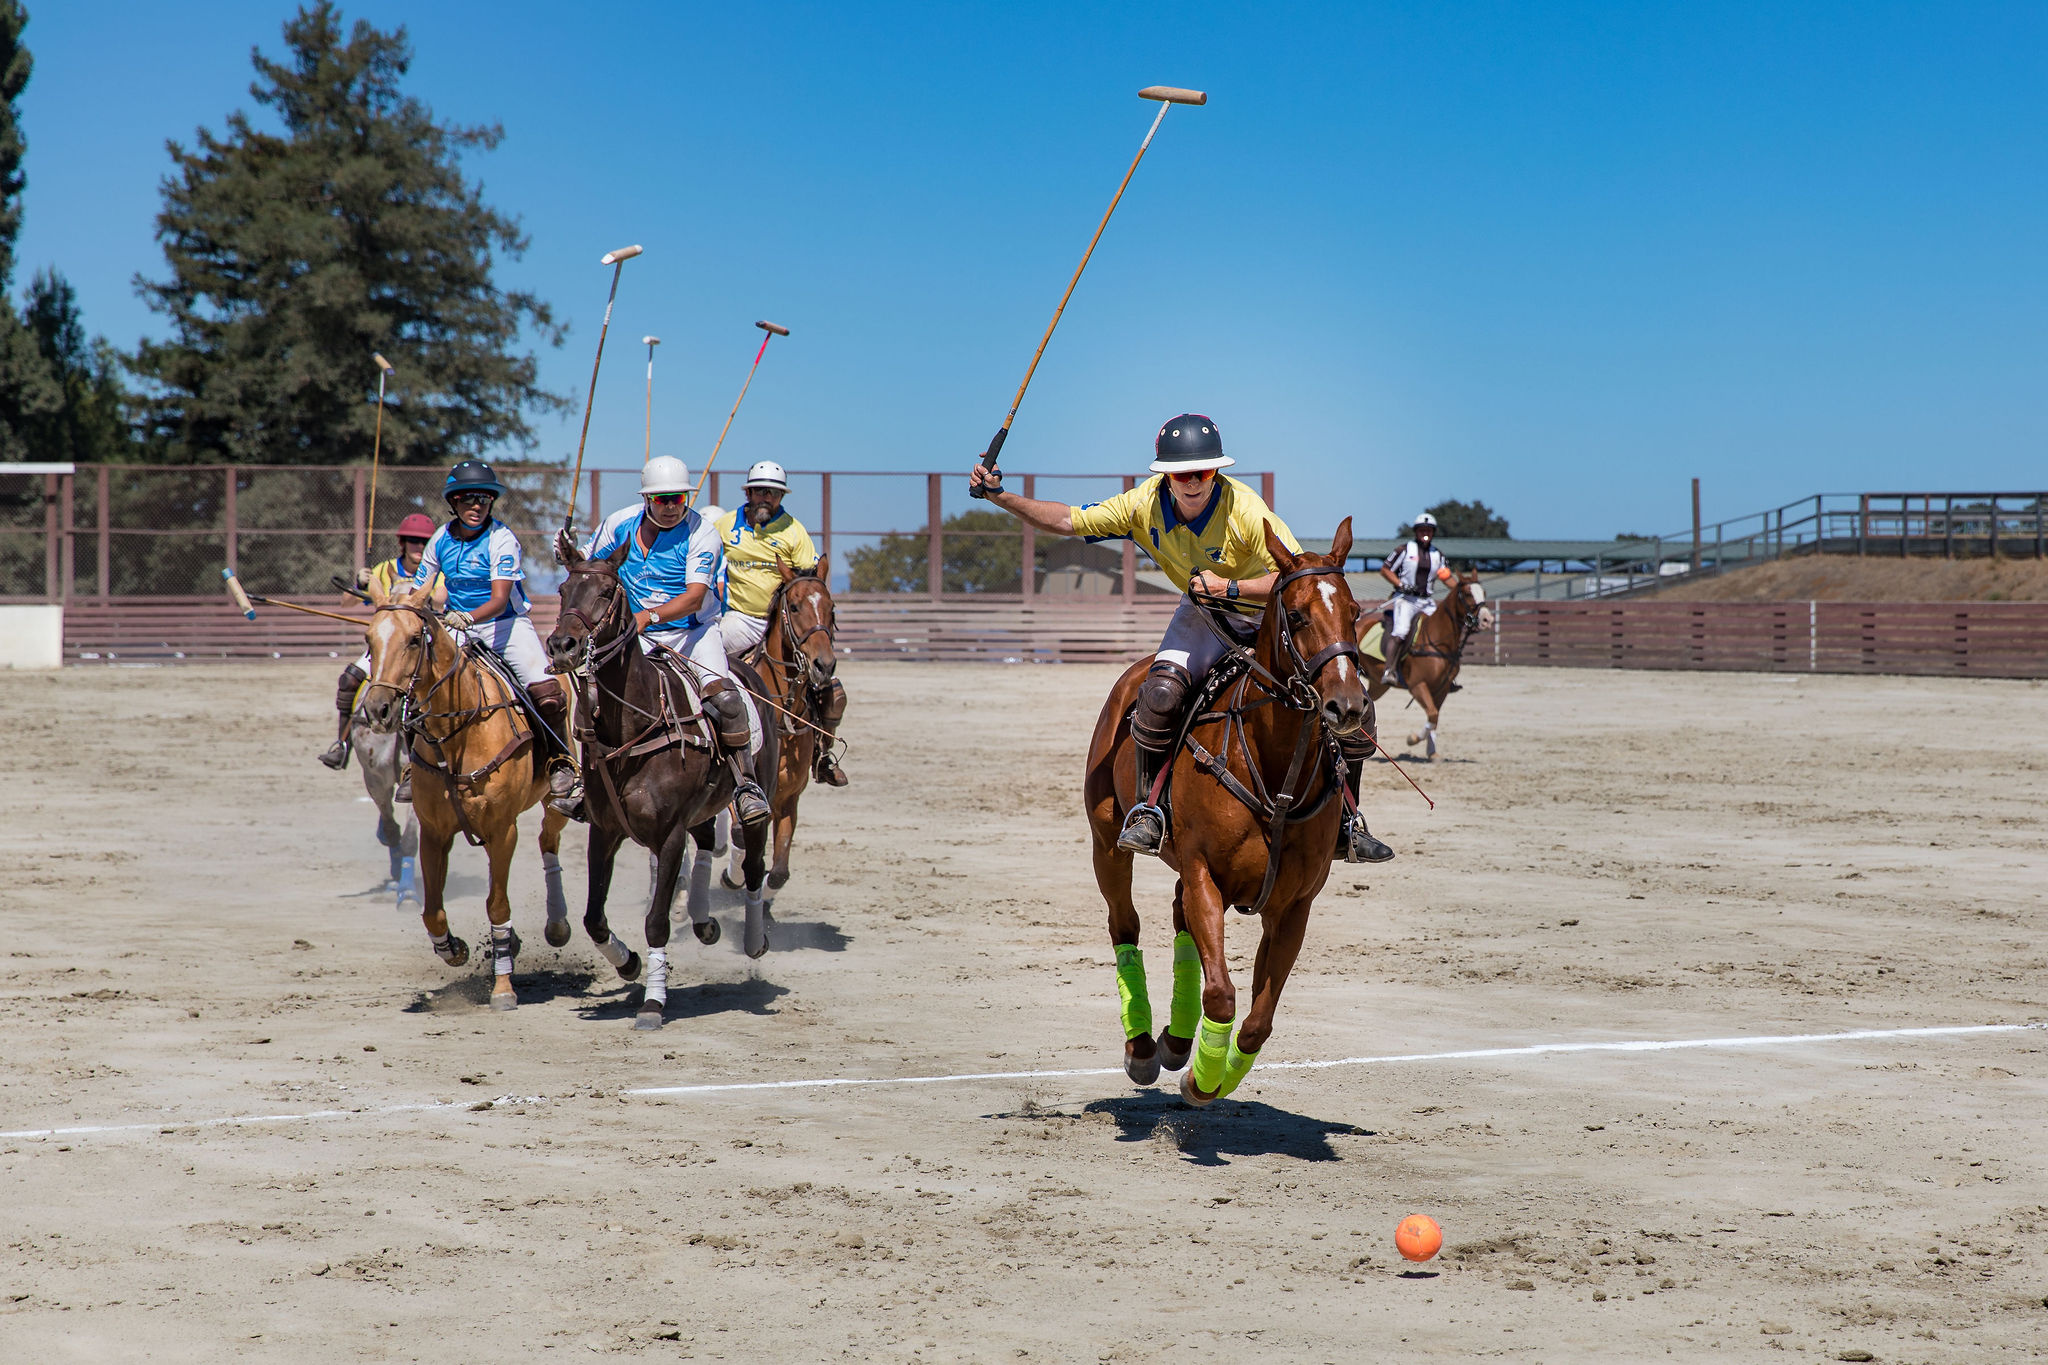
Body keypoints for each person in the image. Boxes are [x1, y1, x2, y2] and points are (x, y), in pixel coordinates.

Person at [969, 413, 1386, 862]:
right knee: (1162, 692)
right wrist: (1001, 497)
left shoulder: (1245, 509)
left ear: (1217, 472)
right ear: (1166, 475)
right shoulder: (1141, 506)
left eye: (1203, 472)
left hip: (1268, 620)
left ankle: (1347, 823)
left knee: (1354, 705)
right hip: (1205, 617)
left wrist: (1230, 588)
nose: (1193, 482)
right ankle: (1150, 812)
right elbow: (1068, 520)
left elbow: (1295, 579)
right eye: (1183, 473)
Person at [576, 456, 773, 828]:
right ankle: (585, 782)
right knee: (587, 696)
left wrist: (646, 617)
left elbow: (695, 597)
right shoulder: (619, 523)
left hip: (691, 634)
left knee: (727, 700)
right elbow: (589, 566)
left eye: (678, 499)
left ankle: (746, 785)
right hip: (632, 636)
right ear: (647, 499)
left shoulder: (702, 533)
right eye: (662, 499)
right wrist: (567, 554)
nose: (670, 507)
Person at [404, 459, 580, 813]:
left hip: (506, 626)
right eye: (468, 499)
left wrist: (466, 616)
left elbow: (500, 599)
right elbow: (419, 588)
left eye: (483, 499)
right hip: (454, 626)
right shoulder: (440, 538)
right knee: (414, 691)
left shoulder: (501, 538)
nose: (476, 506)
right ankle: (415, 767)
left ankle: (559, 761)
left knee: (546, 692)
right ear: (453, 501)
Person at [713, 460, 848, 787]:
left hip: (784, 625)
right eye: (758, 490)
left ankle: (822, 752)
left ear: (780, 497)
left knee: (831, 691)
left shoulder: (793, 531)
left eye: (771, 493)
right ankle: (710, 748)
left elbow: (811, 581)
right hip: (738, 619)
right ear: (747, 492)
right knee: (710, 671)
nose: (764, 497)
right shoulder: (724, 526)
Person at [318, 512, 442, 770]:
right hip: (385, 648)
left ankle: (427, 757)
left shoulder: (436, 572)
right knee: (349, 680)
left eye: (425, 543)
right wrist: (360, 582)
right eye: (413, 541)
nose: (419, 547)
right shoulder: (383, 570)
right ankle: (342, 746)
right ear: (403, 543)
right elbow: (346, 602)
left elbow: (441, 598)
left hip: (419, 648)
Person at [1378, 511, 1456, 688]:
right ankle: (1389, 670)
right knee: (1401, 631)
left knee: (1445, 629)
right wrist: (1400, 584)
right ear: (1416, 531)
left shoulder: (1438, 555)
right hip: (1406, 599)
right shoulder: (1404, 550)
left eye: (1429, 530)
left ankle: (1448, 673)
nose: (1425, 533)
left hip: (1427, 601)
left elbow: (1446, 577)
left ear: (1433, 532)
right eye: (1422, 530)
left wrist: (1462, 588)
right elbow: (1386, 569)